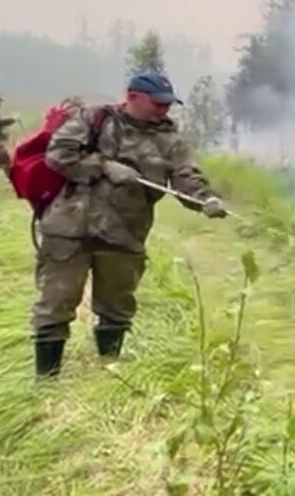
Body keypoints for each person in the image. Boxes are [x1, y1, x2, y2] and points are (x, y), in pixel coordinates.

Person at [31, 71, 227, 378]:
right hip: (70, 228)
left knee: (117, 307)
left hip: (124, 233)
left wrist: (206, 200)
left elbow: (186, 178)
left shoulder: (170, 141)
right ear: (133, 96)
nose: (164, 110)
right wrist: (104, 167)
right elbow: (58, 155)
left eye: (167, 104)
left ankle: (110, 372)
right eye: (157, 103)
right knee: (55, 304)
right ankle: (46, 380)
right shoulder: (93, 119)